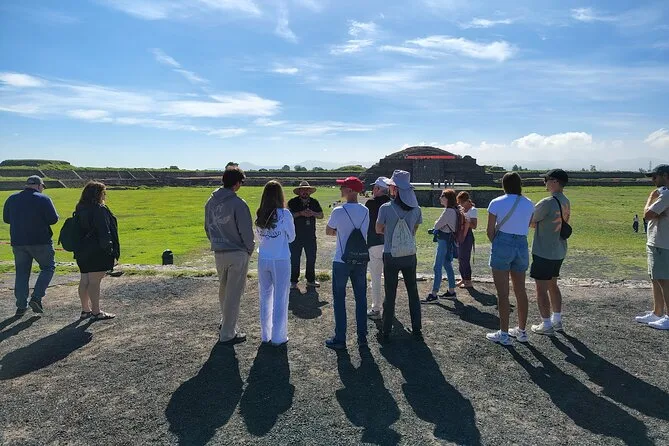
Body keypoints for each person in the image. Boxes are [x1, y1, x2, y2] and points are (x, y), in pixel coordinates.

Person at [205, 167, 255, 345]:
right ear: (237, 183)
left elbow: (207, 227)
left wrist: (216, 242)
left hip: (219, 251)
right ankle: (228, 333)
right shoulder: (238, 203)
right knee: (234, 294)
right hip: (237, 252)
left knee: (224, 291)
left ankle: (225, 322)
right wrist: (249, 248)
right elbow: (246, 231)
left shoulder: (210, 202)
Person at [485, 172, 535, 345]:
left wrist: (498, 244)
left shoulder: (496, 202)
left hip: (503, 243)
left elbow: (490, 231)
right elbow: (527, 224)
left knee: (503, 293)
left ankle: (504, 333)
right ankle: (522, 331)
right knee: (520, 290)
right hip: (521, 244)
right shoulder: (529, 203)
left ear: (503, 185)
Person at [376, 170, 423, 341]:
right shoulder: (417, 209)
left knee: (390, 292)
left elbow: (378, 229)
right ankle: (417, 328)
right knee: (413, 291)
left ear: (395, 189)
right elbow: (414, 231)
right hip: (409, 254)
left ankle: (386, 329)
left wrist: (390, 233)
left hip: (391, 253)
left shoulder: (385, 208)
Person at [3, 175, 59, 316]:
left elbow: (6, 219)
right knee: (48, 267)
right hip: (41, 241)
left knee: (22, 273)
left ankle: (21, 305)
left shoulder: (12, 198)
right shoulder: (44, 199)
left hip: (18, 241)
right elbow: (53, 219)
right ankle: (36, 297)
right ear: (39, 186)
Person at [325, 177, 370, 349]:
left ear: (350, 190)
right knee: (361, 298)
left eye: (343, 187)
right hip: (360, 258)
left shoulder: (338, 211)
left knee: (339, 299)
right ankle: (362, 336)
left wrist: (339, 231)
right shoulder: (365, 210)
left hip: (341, 259)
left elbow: (328, 231)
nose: (340, 189)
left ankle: (340, 337)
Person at [528, 169, 571, 336]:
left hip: (544, 250)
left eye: (546, 179)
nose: (545, 183)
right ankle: (557, 319)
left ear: (555, 182)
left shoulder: (547, 202)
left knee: (541, 288)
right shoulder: (565, 200)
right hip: (559, 249)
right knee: (553, 284)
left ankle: (546, 324)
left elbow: (531, 220)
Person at [255, 181, 295, 346]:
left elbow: (259, 237)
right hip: (280, 259)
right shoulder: (285, 214)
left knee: (265, 296)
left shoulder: (260, 213)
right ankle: (278, 337)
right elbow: (292, 237)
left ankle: (266, 335)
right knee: (281, 297)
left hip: (264, 258)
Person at [73, 181, 120, 321]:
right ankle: (96, 311)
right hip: (97, 250)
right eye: (103, 193)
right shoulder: (99, 209)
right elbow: (104, 231)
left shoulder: (80, 208)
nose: (105, 195)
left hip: (82, 250)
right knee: (94, 282)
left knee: (85, 279)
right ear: (98, 194)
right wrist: (110, 251)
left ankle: (85, 309)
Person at [635, 164, 669, 330]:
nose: (653, 180)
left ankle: (667, 316)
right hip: (657, 241)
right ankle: (658, 312)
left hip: (663, 242)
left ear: (665, 175)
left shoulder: (666, 194)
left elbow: (647, 215)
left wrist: (651, 197)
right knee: (656, 278)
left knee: (664, 280)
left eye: (655, 176)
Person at [288, 181, 324, 290]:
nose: (305, 192)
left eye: (307, 190)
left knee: (311, 258)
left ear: (309, 191)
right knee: (294, 259)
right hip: (295, 236)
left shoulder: (314, 202)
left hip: (310, 236)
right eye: (303, 190)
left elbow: (321, 215)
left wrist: (312, 213)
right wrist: (300, 213)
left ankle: (310, 280)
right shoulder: (292, 202)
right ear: (299, 191)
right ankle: (293, 281)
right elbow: (288, 216)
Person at [424, 189, 458, 302]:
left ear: (447, 198)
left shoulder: (448, 211)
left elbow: (437, 225)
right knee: (447, 265)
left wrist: (436, 225)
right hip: (449, 240)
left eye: (442, 196)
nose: (440, 198)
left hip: (443, 241)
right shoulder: (454, 210)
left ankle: (434, 293)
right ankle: (451, 291)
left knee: (437, 267)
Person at [365, 177, 392, 320]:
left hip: (375, 242)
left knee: (375, 278)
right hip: (390, 244)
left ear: (377, 189)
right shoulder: (392, 203)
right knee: (389, 278)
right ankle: (389, 307)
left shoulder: (371, 203)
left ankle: (376, 308)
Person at [457, 191, 477, 288]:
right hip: (461, 233)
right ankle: (463, 278)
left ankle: (468, 281)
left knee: (465, 258)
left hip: (468, 234)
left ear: (466, 201)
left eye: (461, 202)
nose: (460, 204)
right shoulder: (462, 208)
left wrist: (466, 221)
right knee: (460, 258)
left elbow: (474, 226)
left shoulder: (473, 210)